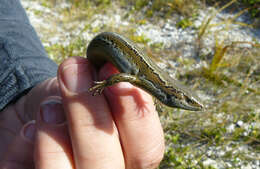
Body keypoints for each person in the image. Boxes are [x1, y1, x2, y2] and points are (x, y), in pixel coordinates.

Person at [0, 0, 165, 168]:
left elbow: (5, 23)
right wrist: (106, 83)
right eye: (189, 101)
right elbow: (131, 78)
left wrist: (17, 93)